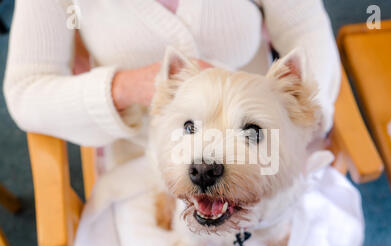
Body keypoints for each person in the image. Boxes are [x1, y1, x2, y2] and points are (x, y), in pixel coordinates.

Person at [3, 0, 340, 165]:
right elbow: (25, 92)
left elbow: (304, 25)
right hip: (144, 158)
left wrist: (307, 118)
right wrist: (130, 86)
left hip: (268, 144)